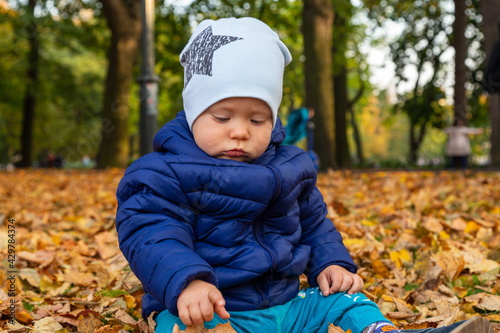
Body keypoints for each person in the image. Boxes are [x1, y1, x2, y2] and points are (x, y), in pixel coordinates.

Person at [115, 18, 493, 333]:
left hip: (288, 305)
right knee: (182, 326)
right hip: (213, 308)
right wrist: (187, 281)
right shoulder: (162, 173)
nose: (240, 131)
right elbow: (150, 234)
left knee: (346, 302)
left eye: (257, 119)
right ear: (194, 110)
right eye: (222, 117)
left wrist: (330, 263)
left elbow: (314, 224)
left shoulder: (290, 167)